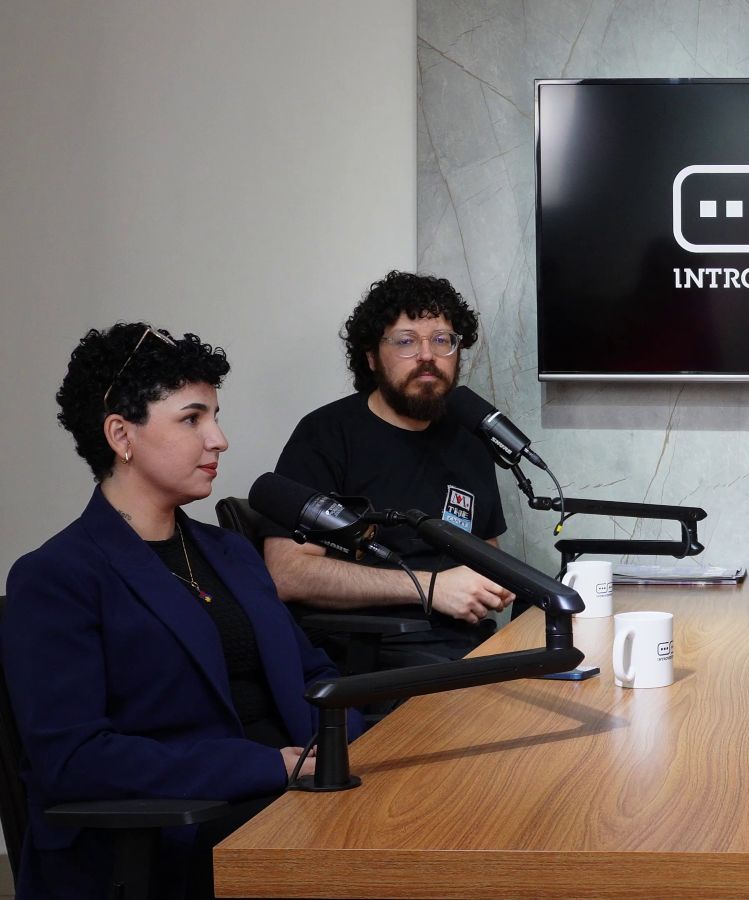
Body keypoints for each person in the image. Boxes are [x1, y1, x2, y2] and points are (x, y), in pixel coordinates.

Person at [2, 323, 361, 899]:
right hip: (178, 829)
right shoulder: (56, 577)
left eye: (214, 416)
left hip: (297, 795)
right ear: (121, 434)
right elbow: (74, 758)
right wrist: (273, 766)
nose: (219, 439)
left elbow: (315, 675)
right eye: (192, 419)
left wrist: (347, 746)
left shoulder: (230, 552)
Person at [263, 271, 512, 666]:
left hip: (466, 643)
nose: (427, 355)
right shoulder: (326, 434)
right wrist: (429, 588)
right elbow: (288, 574)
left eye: (442, 340)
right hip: (371, 654)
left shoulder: (468, 438)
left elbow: (486, 552)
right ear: (371, 357)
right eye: (406, 341)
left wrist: (498, 585)